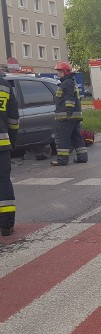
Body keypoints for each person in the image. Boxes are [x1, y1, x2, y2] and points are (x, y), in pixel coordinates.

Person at [51, 61, 87, 166]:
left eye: (60, 72)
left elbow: (69, 100)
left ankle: (62, 160)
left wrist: (68, 113)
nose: (58, 74)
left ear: (66, 72)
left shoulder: (66, 83)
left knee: (62, 138)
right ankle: (82, 157)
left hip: (66, 118)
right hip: (74, 117)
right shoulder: (70, 82)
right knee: (76, 137)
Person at [0, 67, 19, 236]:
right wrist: (11, 141)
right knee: (3, 181)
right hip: (2, 143)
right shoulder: (5, 86)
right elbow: (14, 120)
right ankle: (6, 226)